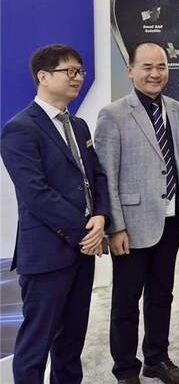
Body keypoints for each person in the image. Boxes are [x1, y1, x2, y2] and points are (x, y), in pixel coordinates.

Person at [1, 44, 109, 384]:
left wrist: (101, 217)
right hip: (47, 254)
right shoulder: (20, 128)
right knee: (36, 346)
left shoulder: (78, 125)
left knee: (71, 341)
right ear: (43, 77)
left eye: (80, 71)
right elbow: (37, 194)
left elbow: (96, 176)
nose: (77, 77)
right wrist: (86, 231)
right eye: (69, 71)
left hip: (83, 251)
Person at [94, 41, 179, 384]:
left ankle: (157, 358)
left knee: (162, 294)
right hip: (131, 225)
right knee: (126, 301)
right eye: (147, 67)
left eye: (161, 67)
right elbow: (106, 176)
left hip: (170, 219)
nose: (155, 74)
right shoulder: (113, 114)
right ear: (130, 71)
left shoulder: (178, 111)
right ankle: (126, 369)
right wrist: (115, 227)